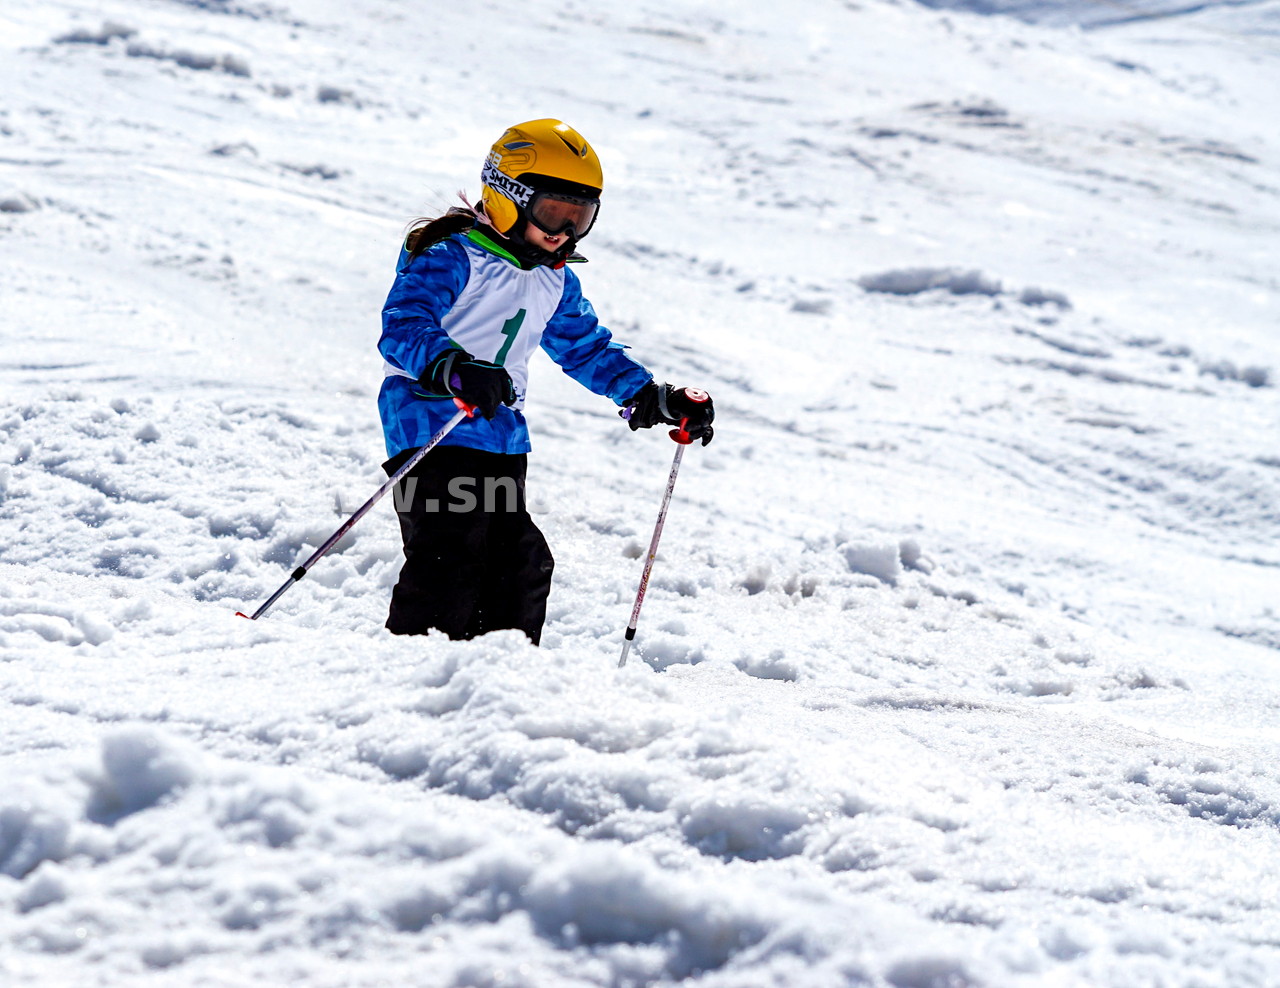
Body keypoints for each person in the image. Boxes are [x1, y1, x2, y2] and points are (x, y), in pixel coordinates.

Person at [377, 118, 715, 644]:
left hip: (500, 435)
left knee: (520, 564)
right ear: (508, 197)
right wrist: (454, 366)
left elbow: (584, 347)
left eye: (579, 217)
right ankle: (415, 667)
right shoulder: (452, 256)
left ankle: (500, 671)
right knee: (453, 554)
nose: (563, 231)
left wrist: (650, 396)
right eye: (553, 212)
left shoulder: (553, 278)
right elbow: (404, 324)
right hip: (433, 424)